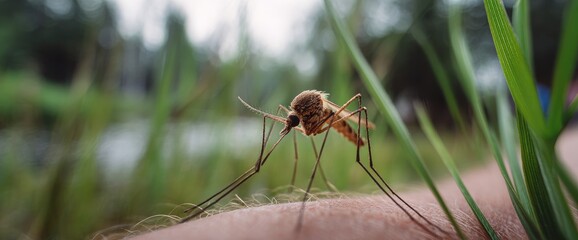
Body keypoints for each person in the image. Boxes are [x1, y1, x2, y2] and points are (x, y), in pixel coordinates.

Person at [132, 126, 578, 240]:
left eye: (290, 124)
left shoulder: (318, 117)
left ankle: (369, 175)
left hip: (342, 124)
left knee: (332, 163)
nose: (287, 127)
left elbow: (341, 115)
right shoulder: (293, 120)